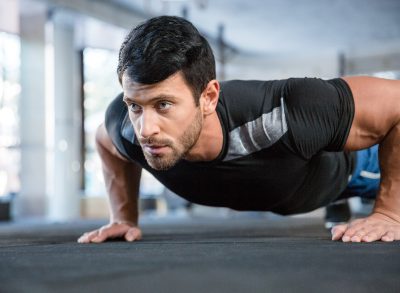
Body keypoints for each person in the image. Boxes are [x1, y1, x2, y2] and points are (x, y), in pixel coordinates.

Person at [78, 16, 400, 244]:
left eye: (163, 105)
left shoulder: (288, 108)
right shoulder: (124, 125)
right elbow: (105, 142)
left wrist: (388, 213)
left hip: (355, 165)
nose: (146, 129)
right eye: (136, 105)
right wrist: (123, 218)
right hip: (294, 185)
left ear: (208, 97)